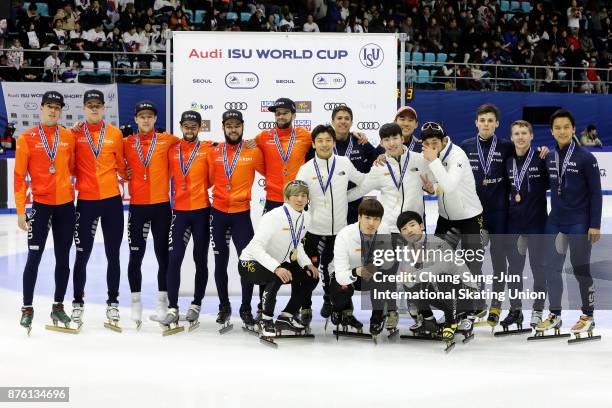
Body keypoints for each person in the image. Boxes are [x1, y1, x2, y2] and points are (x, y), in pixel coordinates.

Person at [537, 109, 602, 340]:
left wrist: (595, 224)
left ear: (574, 129)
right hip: (555, 221)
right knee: (551, 269)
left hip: (579, 222)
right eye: (557, 128)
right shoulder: (549, 157)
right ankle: (554, 314)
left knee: (580, 269)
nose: (562, 131)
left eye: (566, 127)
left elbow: (596, 194)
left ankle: (588, 315)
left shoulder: (586, 158)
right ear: (552, 131)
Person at [15, 91, 76, 334]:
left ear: (61, 111)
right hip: (40, 206)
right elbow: (19, 178)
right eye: (49, 106)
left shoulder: (68, 137)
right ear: (41, 108)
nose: (53, 111)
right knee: (34, 258)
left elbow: (73, 167)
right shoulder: (27, 138)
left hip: (65, 207)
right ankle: (27, 308)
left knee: (63, 259)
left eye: (57, 107)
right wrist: (21, 211)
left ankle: (58, 306)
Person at [295, 124, 366, 324]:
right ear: (313, 144)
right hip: (316, 231)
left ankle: (342, 309)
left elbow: (363, 181)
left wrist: (348, 196)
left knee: (341, 271)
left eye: (328, 140)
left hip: (341, 232)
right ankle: (305, 307)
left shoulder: (344, 163)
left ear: (334, 142)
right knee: (310, 273)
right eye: (320, 141)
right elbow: (296, 198)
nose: (324, 144)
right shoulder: (306, 169)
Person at [70, 90, 126, 331]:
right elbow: (70, 166)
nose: (94, 109)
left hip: (112, 201)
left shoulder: (115, 134)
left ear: (104, 108)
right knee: (82, 255)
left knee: (113, 255)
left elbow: (123, 167)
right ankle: (77, 303)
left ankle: (113, 302)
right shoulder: (74, 133)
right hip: (86, 202)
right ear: (84, 108)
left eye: (98, 105)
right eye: (90, 105)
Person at [419, 121, 485, 319]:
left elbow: (449, 185)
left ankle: (471, 309)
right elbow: (441, 186)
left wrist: (433, 162)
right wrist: (431, 188)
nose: (431, 147)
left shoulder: (457, 155)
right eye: (427, 143)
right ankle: (453, 305)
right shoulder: (433, 157)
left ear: (444, 140)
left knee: (471, 265)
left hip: (470, 217)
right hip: (446, 218)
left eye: (435, 142)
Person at [238, 181, 319, 337]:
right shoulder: (274, 217)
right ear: (287, 198)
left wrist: (308, 264)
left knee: (312, 276)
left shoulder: (306, 218)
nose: (300, 199)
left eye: (303, 195)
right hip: (249, 263)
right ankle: (265, 318)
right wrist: (276, 267)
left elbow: (298, 244)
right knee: (277, 275)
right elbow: (255, 247)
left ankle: (286, 316)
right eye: (296, 195)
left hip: (276, 264)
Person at [124, 101, 179, 328]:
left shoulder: (168, 140)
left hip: (161, 208)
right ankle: (136, 303)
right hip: (137, 207)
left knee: (162, 257)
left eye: (150, 116)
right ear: (135, 119)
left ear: (155, 119)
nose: (146, 120)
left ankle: (161, 303)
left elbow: (191, 143)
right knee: (135, 257)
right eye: (142, 116)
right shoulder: (126, 142)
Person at [208, 110, 265, 331]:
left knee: (247, 264)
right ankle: (224, 306)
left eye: (237, 125)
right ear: (223, 127)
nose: (233, 130)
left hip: (242, 215)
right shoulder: (213, 152)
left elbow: (275, 172)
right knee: (220, 262)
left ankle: (246, 308)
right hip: (219, 213)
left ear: (242, 127)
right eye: (229, 126)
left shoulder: (254, 152)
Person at [459, 104, 515, 324]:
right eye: (482, 120)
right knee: (473, 261)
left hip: (500, 213)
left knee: (500, 261)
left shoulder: (506, 146)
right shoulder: (465, 146)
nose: (486, 124)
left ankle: (496, 306)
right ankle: (477, 303)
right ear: (476, 123)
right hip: (474, 214)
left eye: (490, 120)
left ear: (497, 124)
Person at [162, 110, 214, 334]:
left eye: (194, 126)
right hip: (180, 213)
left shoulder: (209, 149)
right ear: (181, 126)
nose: (190, 129)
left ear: (200, 127)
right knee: (174, 260)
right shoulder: (172, 149)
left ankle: (196, 303)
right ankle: (172, 307)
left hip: (202, 211)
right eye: (186, 126)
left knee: (200, 259)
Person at [396, 211, 478, 346]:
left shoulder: (436, 243)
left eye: (412, 225)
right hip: (444, 291)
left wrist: (414, 275)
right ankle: (429, 321)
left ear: (421, 226)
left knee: (439, 277)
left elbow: (441, 269)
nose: (409, 231)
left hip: (464, 291)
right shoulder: (409, 249)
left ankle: (454, 320)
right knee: (408, 282)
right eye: (404, 229)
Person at [503, 120, 549, 329]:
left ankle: (538, 310)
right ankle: (515, 310)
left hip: (538, 225)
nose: (520, 137)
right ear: (511, 137)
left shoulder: (542, 159)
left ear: (531, 136)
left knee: (539, 268)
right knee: (514, 270)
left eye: (524, 133)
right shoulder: (508, 161)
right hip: (515, 225)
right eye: (516, 134)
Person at [329, 199, 397, 337]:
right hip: (348, 274)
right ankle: (339, 307)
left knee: (387, 273)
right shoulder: (344, 235)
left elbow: (388, 260)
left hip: (370, 272)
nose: (371, 223)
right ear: (359, 217)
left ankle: (377, 315)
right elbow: (341, 273)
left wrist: (375, 266)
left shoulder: (383, 229)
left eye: (376, 219)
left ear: (380, 220)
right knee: (341, 290)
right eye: (367, 218)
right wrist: (356, 271)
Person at [348, 123, 429, 234]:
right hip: (389, 228)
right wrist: (333, 199)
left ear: (401, 139)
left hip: (414, 226)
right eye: (386, 139)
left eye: (395, 138)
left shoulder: (420, 160)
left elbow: (436, 183)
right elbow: (360, 189)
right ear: (381, 143)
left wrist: (432, 189)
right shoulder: (379, 167)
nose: (391, 143)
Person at [255, 98, 312, 213]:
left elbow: (327, 139)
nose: (280, 116)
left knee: (299, 231)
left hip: (297, 197)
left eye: (285, 113)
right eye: (278, 113)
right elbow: (241, 145)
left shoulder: (305, 136)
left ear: (294, 116)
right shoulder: (263, 137)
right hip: (273, 198)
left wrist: (353, 135)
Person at [329, 105, 377, 224]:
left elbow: (375, 157)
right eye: (339, 118)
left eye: (347, 118)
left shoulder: (359, 141)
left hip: (354, 202)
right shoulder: (325, 141)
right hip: (329, 201)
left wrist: (364, 175)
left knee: (352, 239)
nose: (343, 121)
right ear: (332, 122)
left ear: (351, 123)